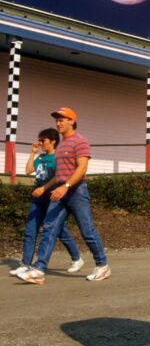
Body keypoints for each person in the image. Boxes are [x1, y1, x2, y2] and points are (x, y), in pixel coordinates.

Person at [18, 107, 110, 284]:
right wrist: (45, 188)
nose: (58, 123)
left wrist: (66, 186)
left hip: (76, 191)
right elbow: (58, 175)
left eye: (62, 119)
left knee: (87, 231)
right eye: (57, 120)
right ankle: (39, 270)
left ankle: (102, 265)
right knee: (49, 229)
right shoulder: (60, 147)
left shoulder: (80, 141)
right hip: (59, 191)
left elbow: (82, 168)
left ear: (72, 122)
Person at [9, 128, 84, 276]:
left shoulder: (58, 157)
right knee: (30, 230)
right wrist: (33, 153)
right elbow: (28, 170)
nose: (41, 143)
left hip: (54, 197)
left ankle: (77, 258)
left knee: (59, 231)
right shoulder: (41, 157)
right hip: (39, 197)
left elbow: (59, 177)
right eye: (40, 140)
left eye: (43, 141)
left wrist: (45, 188)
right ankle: (26, 264)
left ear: (53, 141)